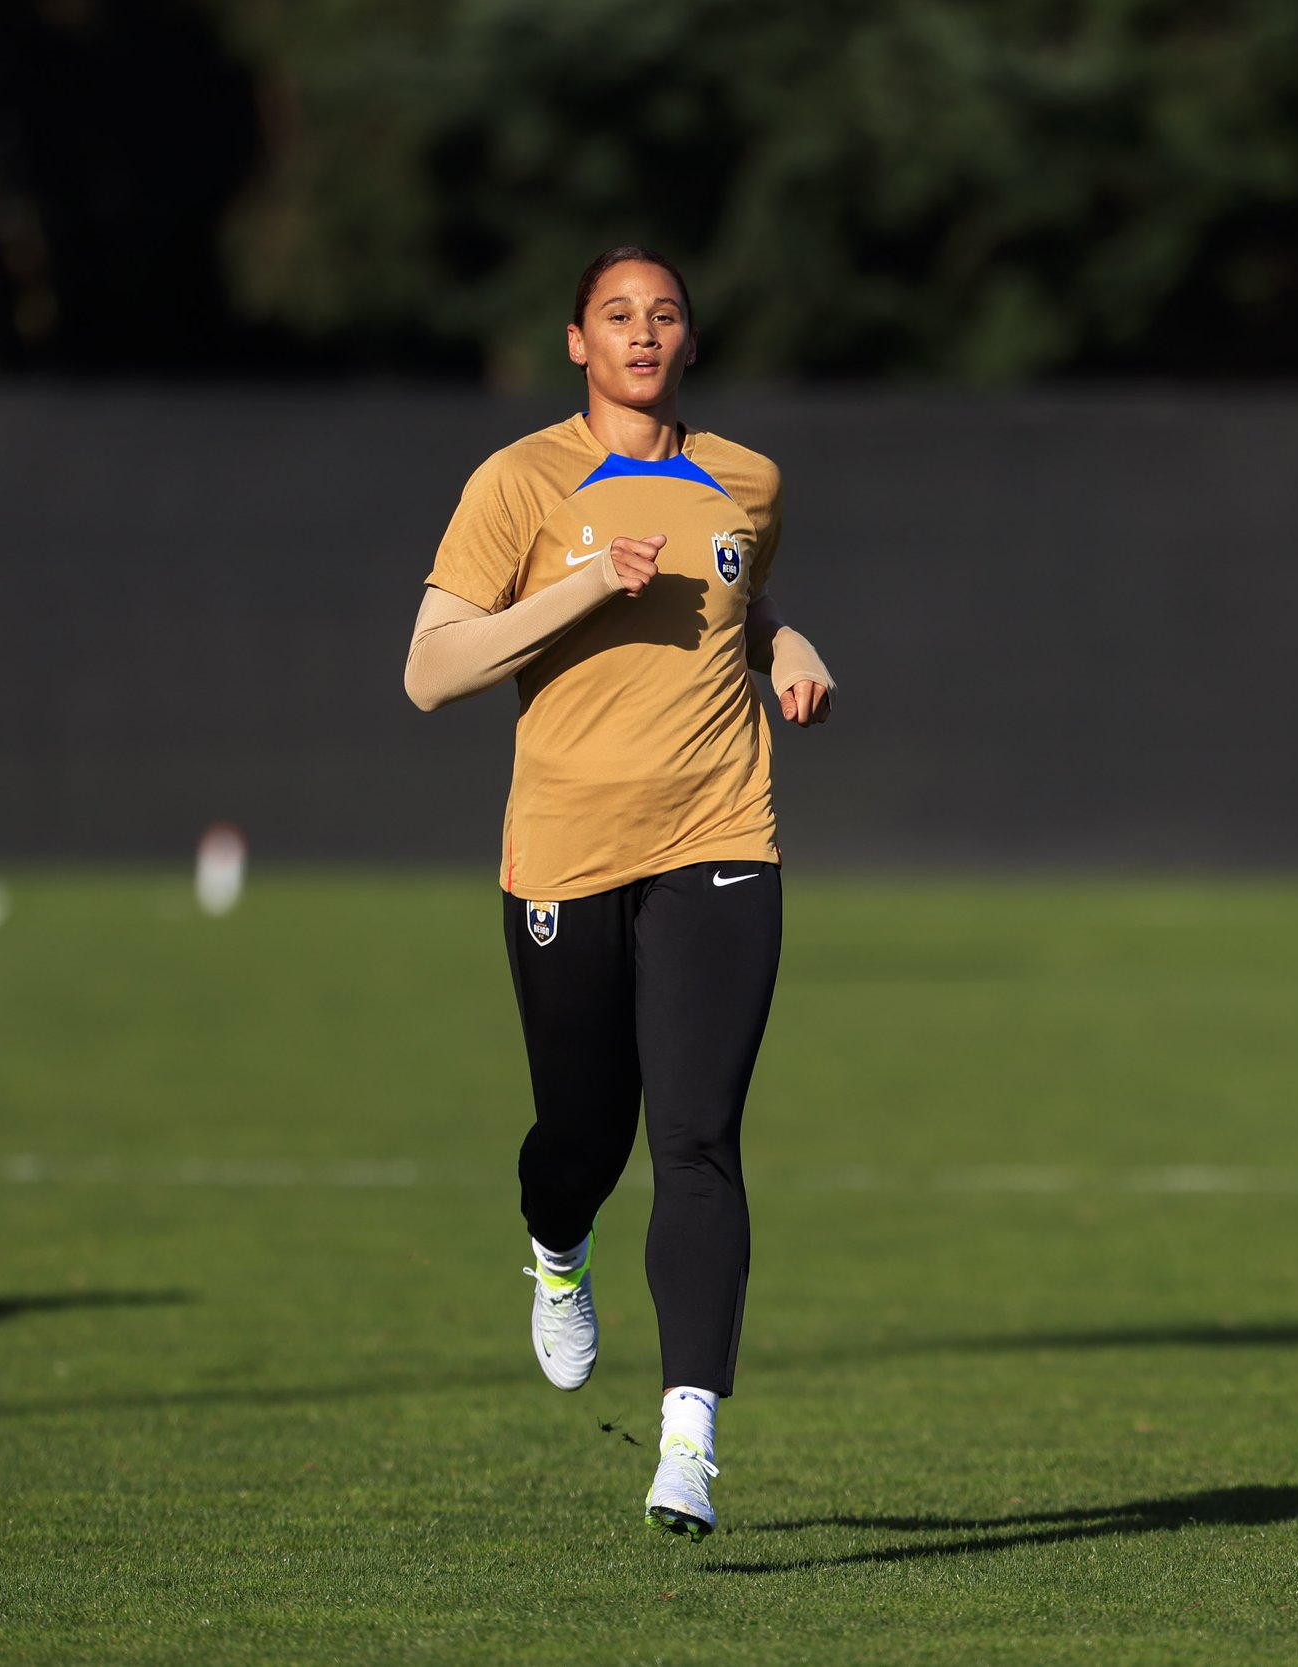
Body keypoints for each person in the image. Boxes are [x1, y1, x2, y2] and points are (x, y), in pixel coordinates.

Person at [401, 246, 834, 1539]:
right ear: (578, 343)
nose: (642, 334)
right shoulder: (520, 481)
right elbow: (431, 670)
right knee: (584, 1139)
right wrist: (590, 582)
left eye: (665, 315)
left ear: (688, 341)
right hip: (565, 854)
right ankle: (555, 1247)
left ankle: (689, 1438)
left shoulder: (747, 478)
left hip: (719, 839)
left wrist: (790, 644)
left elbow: (741, 606)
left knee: (697, 1139)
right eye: (616, 316)